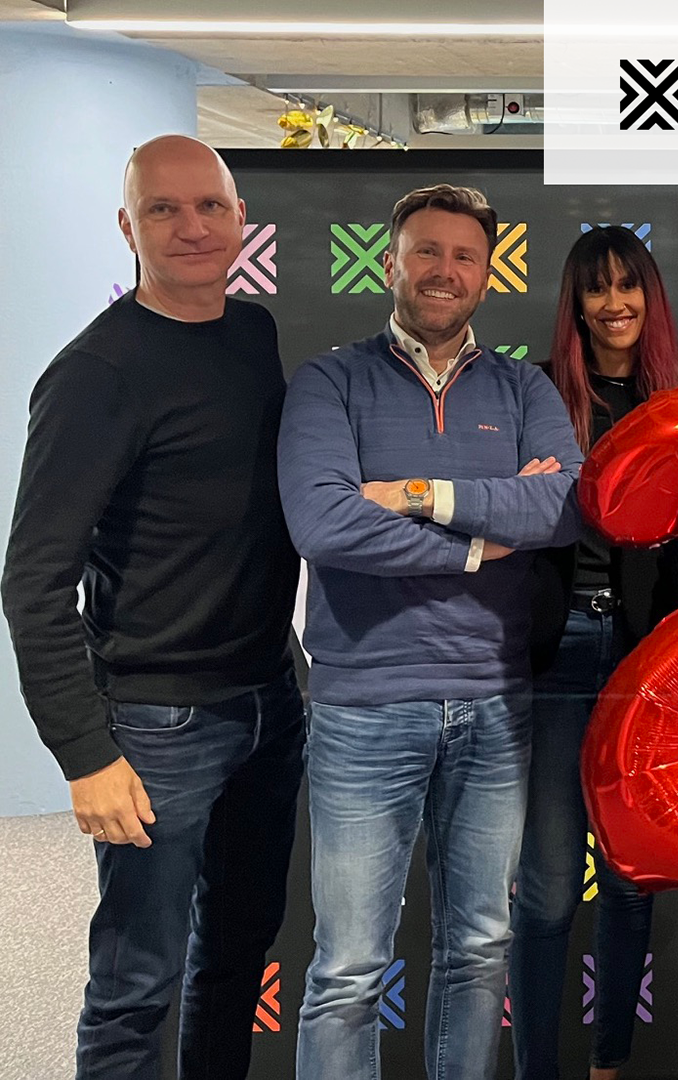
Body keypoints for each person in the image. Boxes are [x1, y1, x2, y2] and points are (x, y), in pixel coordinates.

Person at [1, 134, 303, 1080]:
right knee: (136, 983)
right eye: (162, 209)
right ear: (128, 228)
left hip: (268, 699)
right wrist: (86, 755)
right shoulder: (98, 373)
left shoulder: (252, 332)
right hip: (156, 724)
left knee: (237, 956)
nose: (191, 227)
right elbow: (32, 579)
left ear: (240, 218)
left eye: (209, 206)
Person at [279, 183, 583, 1079]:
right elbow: (325, 524)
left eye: (463, 257)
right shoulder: (330, 381)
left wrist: (417, 494)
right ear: (391, 262)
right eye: (426, 251)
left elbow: (565, 506)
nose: (443, 271)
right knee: (348, 968)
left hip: (494, 703)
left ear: (487, 275)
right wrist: (482, 542)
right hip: (364, 707)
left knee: (480, 949)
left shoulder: (522, 388)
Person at [509, 226, 678, 1080]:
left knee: (628, 877)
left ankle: (608, 1065)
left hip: (647, 654)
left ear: (650, 297)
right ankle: (536, 1068)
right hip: (557, 652)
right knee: (548, 886)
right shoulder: (537, 392)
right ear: (575, 305)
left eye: (628, 285)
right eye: (596, 287)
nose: (614, 303)